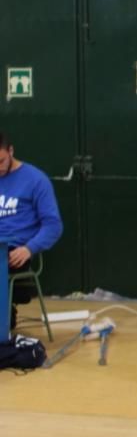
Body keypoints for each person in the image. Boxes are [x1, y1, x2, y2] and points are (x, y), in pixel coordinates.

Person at [0, 132, 63, 329]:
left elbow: (53, 225)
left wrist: (29, 248)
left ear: (11, 151)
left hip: (14, 251)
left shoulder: (36, 180)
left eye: (1, 161)